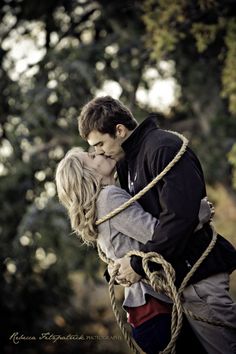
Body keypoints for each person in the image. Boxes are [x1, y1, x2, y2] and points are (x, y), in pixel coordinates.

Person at [78, 95, 236, 354]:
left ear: (119, 130)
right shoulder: (129, 164)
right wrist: (119, 269)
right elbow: (143, 229)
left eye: (100, 144)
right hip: (179, 285)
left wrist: (139, 264)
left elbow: (178, 219)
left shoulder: (162, 147)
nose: (99, 152)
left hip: (199, 278)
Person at [55, 148, 211, 353]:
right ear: (88, 175)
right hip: (158, 311)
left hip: (145, 316)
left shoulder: (97, 208)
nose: (99, 152)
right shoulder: (109, 198)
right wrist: (199, 212)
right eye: (92, 157)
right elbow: (160, 235)